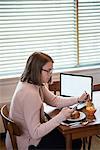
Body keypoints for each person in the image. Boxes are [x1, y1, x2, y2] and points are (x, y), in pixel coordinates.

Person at [6, 52, 90, 150]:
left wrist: (78, 99)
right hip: (28, 144)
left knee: (73, 138)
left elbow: (55, 100)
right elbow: (35, 133)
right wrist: (61, 117)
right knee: (74, 141)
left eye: (51, 70)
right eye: (48, 71)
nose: (51, 74)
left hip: (28, 137)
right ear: (37, 70)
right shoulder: (30, 94)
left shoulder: (32, 83)